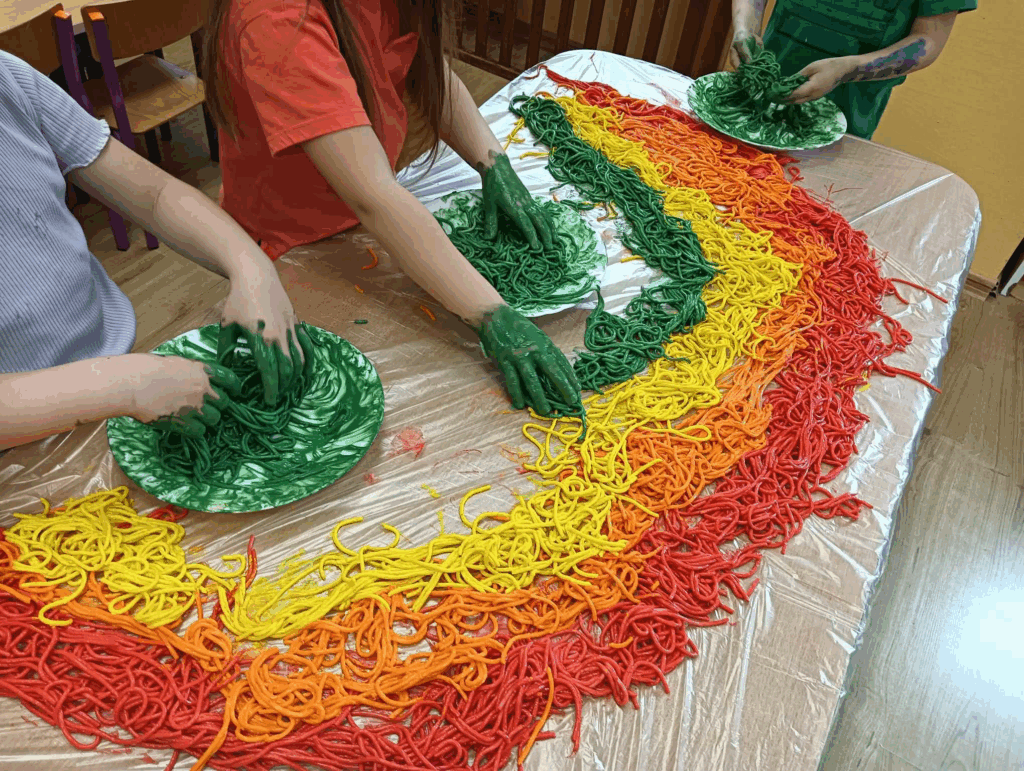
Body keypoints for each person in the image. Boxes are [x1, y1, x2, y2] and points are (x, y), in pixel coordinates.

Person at [201, 0, 581, 416]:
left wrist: (492, 162)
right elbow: (372, 197)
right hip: (291, 245)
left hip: (368, 222)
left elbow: (423, 68)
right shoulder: (278, 17)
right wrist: (492, 315)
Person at [0, 49, 309, 451]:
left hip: (121, 377)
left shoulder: (9, 78)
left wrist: (250, 267)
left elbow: (156, 195)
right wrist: (122, 386)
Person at [729, 0, 976, 139]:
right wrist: (744, 27)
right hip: (755, 100)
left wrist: (846, 70)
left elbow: (928, 39)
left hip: (844, 121)